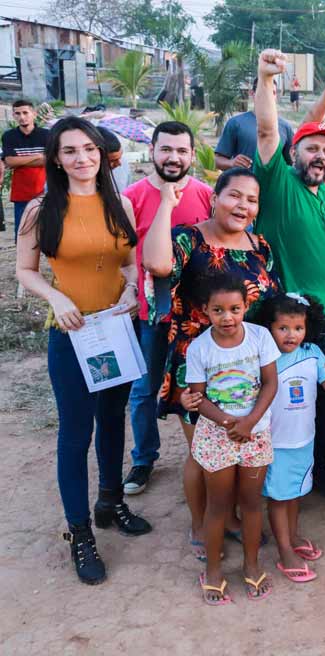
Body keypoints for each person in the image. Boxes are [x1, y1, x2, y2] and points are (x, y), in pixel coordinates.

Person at [15, 117, 150, 585]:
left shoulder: (121, 205)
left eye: (89, 149)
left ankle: (111, 501)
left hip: (114, 331)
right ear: (56, 157)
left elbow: (130, 262)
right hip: (73, 337)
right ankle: (81, 534)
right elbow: (25, 271)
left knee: (112, 420)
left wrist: (133, 289)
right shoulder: (41, 209)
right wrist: (56, 296)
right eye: (70, 151)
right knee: (75, 434)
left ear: (101, 153)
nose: (82, 158)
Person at [143, 168, 281, 559]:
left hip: (247, 365)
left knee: (238, 446)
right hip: (198, 364)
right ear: (215, 197)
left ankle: (232, 519)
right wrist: (166, 205)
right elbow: (156, 265)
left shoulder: (260, 245)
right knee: (204, 451)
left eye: (251, 199)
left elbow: (269, 303)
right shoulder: (188, 238)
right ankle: (201, 524)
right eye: (234, 195)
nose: (243, 205)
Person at [252, 50, 325, 496]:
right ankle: (266, 481)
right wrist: (266, 79)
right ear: (295, 152)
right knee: (275, 404)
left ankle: (316, 471)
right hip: (285, 321)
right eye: (312, 148)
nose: (321, 156)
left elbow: (314, 134)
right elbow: (269, 130)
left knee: (321, 399)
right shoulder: (278, 183)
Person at [122, 121, 214, 496]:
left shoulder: (208, 195)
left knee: (203, 387)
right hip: (152, 314)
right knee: (144, 389)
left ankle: (209, 454)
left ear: (192, 155)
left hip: (198, 317)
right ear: (153, 151)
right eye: (166, 150)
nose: (173, 158)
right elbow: (127, 256)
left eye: (181, 151)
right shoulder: (131, 197)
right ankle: (144, 459)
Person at [184, 274, 279, 605]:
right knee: (219, 505)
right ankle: (213, 570)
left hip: (255, 433)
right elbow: (198, 398)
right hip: (217, 435)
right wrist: (229, 422)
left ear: (245, 306)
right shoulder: (198, 348)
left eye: (235, 309)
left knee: (252, 503)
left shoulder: (261, 337)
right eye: (218, 311)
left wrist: (250, 422)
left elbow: (270, 384)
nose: (228, 318)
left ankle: (251, 565)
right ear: (205, 311)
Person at [256, 293, 325, 583]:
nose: (291, 335)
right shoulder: (264, 357)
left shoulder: (314, 353)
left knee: (294, 492)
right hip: (276, 442)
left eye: (298, 328)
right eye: (283, 328)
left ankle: (292, 537)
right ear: (268, 326)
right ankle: (284, 551)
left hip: (304, 438)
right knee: (279, 498)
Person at [214, 79, 294, 170]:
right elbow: (217, 160)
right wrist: (231, 163)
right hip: (243, 183)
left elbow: (292, 164)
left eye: (273, 92)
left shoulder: (285, 127)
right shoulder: (235, 123)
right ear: (252, 93)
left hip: (274, 184)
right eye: (264, 92)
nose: (269, 96)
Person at [3, 99, 48, 240]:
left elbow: (50, 160)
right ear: (13, 115)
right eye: (17, 113)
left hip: (46, 191)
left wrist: (21, 161)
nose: (21, 117)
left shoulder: (46, 135)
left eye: (25, 112)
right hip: (21, 193)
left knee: (50, 234)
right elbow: (10, 161)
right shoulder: (9, 136)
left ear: (34, 114)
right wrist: (37, 157)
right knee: (22, 234)